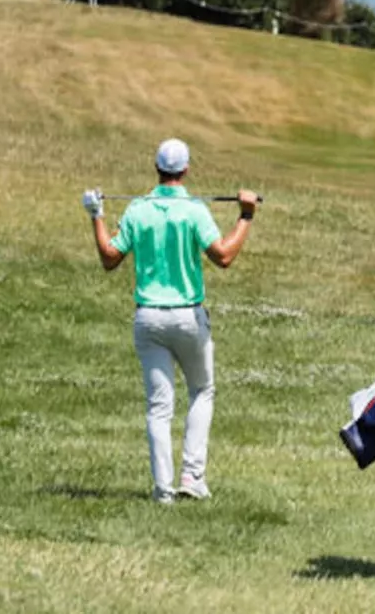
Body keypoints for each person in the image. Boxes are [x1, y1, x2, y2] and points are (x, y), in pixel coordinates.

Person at [81, 139, 260, 503]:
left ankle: (163, 490)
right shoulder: (193, 210)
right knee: (202, 391)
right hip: (188, 316)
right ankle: (192, 477)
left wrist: (96, 216)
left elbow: (109, 258)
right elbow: (223, 257)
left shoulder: (137, 209)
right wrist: (246, 216)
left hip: (148, 319)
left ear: (156, 168)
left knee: (158, 406)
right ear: (187, 169)